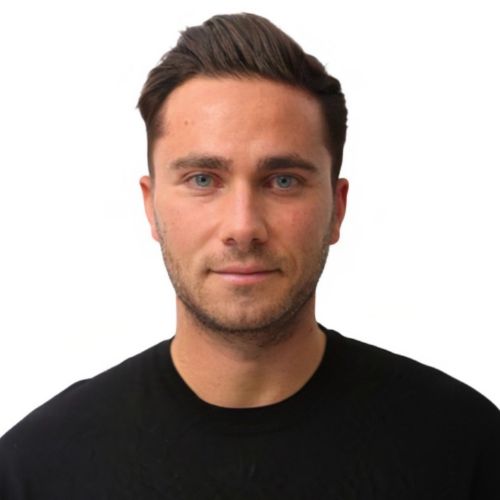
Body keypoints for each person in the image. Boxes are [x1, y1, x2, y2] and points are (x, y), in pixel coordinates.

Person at [0, 12, 499, 499]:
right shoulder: (35, 470)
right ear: (151, 207)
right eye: (203, 179)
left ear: (337, 209)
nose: (243, 227)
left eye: (283, 181)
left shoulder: (468, 450)